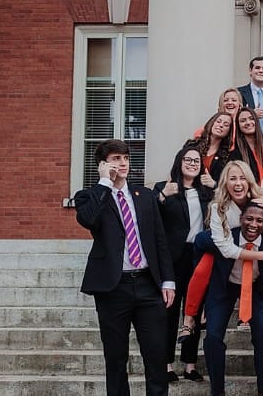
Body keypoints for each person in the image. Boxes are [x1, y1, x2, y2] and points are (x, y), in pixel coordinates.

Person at [74, 139, 175, 396]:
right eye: (115, 158)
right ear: (103, 164)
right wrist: (105, 183)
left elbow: (159, 240)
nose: (122, 163)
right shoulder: (90, 196)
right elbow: (88, 220)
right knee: (116, 358)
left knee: (156, 355)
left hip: (148, 285)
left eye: (125, 158)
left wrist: (168, 280)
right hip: (112, 287)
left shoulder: (145, 196)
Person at [178, 160, 263, 341]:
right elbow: (226, 248)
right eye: (232, 178)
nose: (238, 183)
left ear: (249, 181)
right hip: (223, 252)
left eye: (242, 178)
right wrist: (260, 255)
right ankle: (190, 318)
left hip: (256, 258)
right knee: (202, 270)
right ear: (225, 183)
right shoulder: (218, 206)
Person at [203, 201, 263, 396]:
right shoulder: (225, 237)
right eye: (249, 219)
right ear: (240, 219)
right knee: (212, 336)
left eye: (260, 221)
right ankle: (217, 391)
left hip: (257, 287)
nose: (254, 224)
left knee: (262, 335)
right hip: (224, 286)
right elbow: (198, 243)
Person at [153, 144, 213, 382]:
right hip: (172, 259)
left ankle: (189, 364)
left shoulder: (206, 191)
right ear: (179, 162)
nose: (192, 164)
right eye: (188, 160)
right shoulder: (165, 188)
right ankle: (167, 364)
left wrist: (217, 187)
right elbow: (150, 218)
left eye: (197, 161)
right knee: (169, 312)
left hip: (198, 256)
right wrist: (161, 196)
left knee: (194, 312)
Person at [231, 107, 263, 193]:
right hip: (253, 196)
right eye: (243, 120)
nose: (248, 122)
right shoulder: (235, 154)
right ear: (238, 126)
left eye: (251, 119)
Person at [199, 112, 234, 185]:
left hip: (213, 194)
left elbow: (230, 183)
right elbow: (176, 169)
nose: (221, 125)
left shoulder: (229, 155)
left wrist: (214, 184)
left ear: (229, 131)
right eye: (218, 121)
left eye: (226, 125)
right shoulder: (193, 145)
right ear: (212, 123)